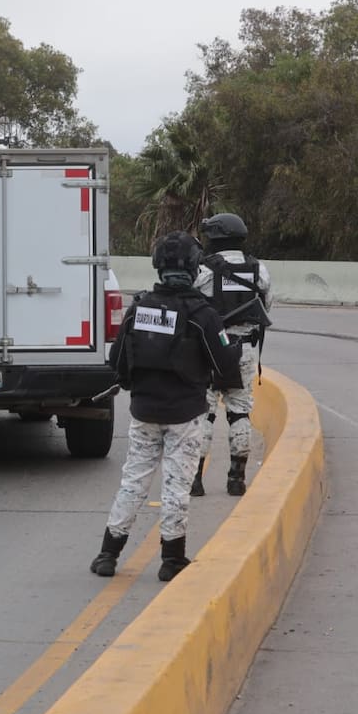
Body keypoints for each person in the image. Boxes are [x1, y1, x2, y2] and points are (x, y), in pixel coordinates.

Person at [90, 231, 242, 582]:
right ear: (193, 268)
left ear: (158, 266)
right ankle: (171, 560)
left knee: (133, 482)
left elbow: (118, 363)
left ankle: (107, 556)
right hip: (186, 415)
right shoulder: (202, 314)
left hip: (143, 412)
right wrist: (231, 347)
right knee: (176, 485)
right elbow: (225, 369)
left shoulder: (139, 306)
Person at [191, 212, 273, 497]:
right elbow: (266, 306)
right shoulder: (258, 269)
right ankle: (237, 479)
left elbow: (190, 308)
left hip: (211, 349)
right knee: (240, 413)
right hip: (246, 350)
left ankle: (196, 481)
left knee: (204, 413)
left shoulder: (203, 271)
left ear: (215, 238)